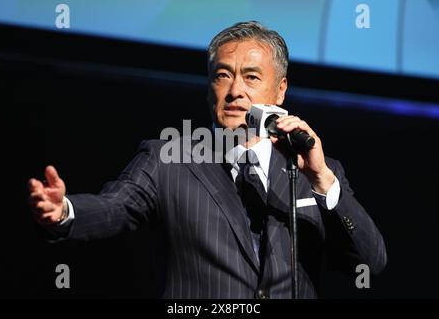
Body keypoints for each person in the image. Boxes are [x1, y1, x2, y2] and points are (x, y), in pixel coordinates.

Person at [28, 21, 387, 299]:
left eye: (251, 77)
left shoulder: (316, 172)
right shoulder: (168, 160)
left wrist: (322, 178)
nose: (235, 91)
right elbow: (115, 207)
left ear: (280, 90)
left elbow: (369, 262)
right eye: (222, 75)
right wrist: (64, 212)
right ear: (209, 88)